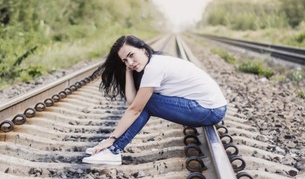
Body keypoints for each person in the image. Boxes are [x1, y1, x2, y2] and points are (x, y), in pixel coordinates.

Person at [82, 35, 227, 165]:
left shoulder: (154, 67)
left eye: (132, 55)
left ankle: (114, 150)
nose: (130, 62)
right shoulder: (152, 63)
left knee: (147, 103)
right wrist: (128, 71)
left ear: (144, 50)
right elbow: (132, 101)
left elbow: (135, 109)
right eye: (125, 60)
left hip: (209, 110)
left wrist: (112, 138)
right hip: (210, 108)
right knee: (143, 102)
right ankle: (113, 149)